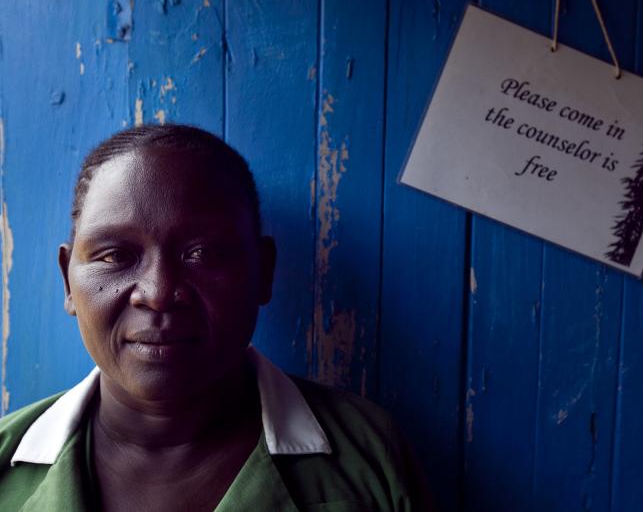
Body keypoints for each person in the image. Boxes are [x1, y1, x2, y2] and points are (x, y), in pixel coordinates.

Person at [0, 124, 431, 511]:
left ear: (263, 272)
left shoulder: (369, 458)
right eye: (116, 255)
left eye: (201, 254)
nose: (159, 293)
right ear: (67, 282)